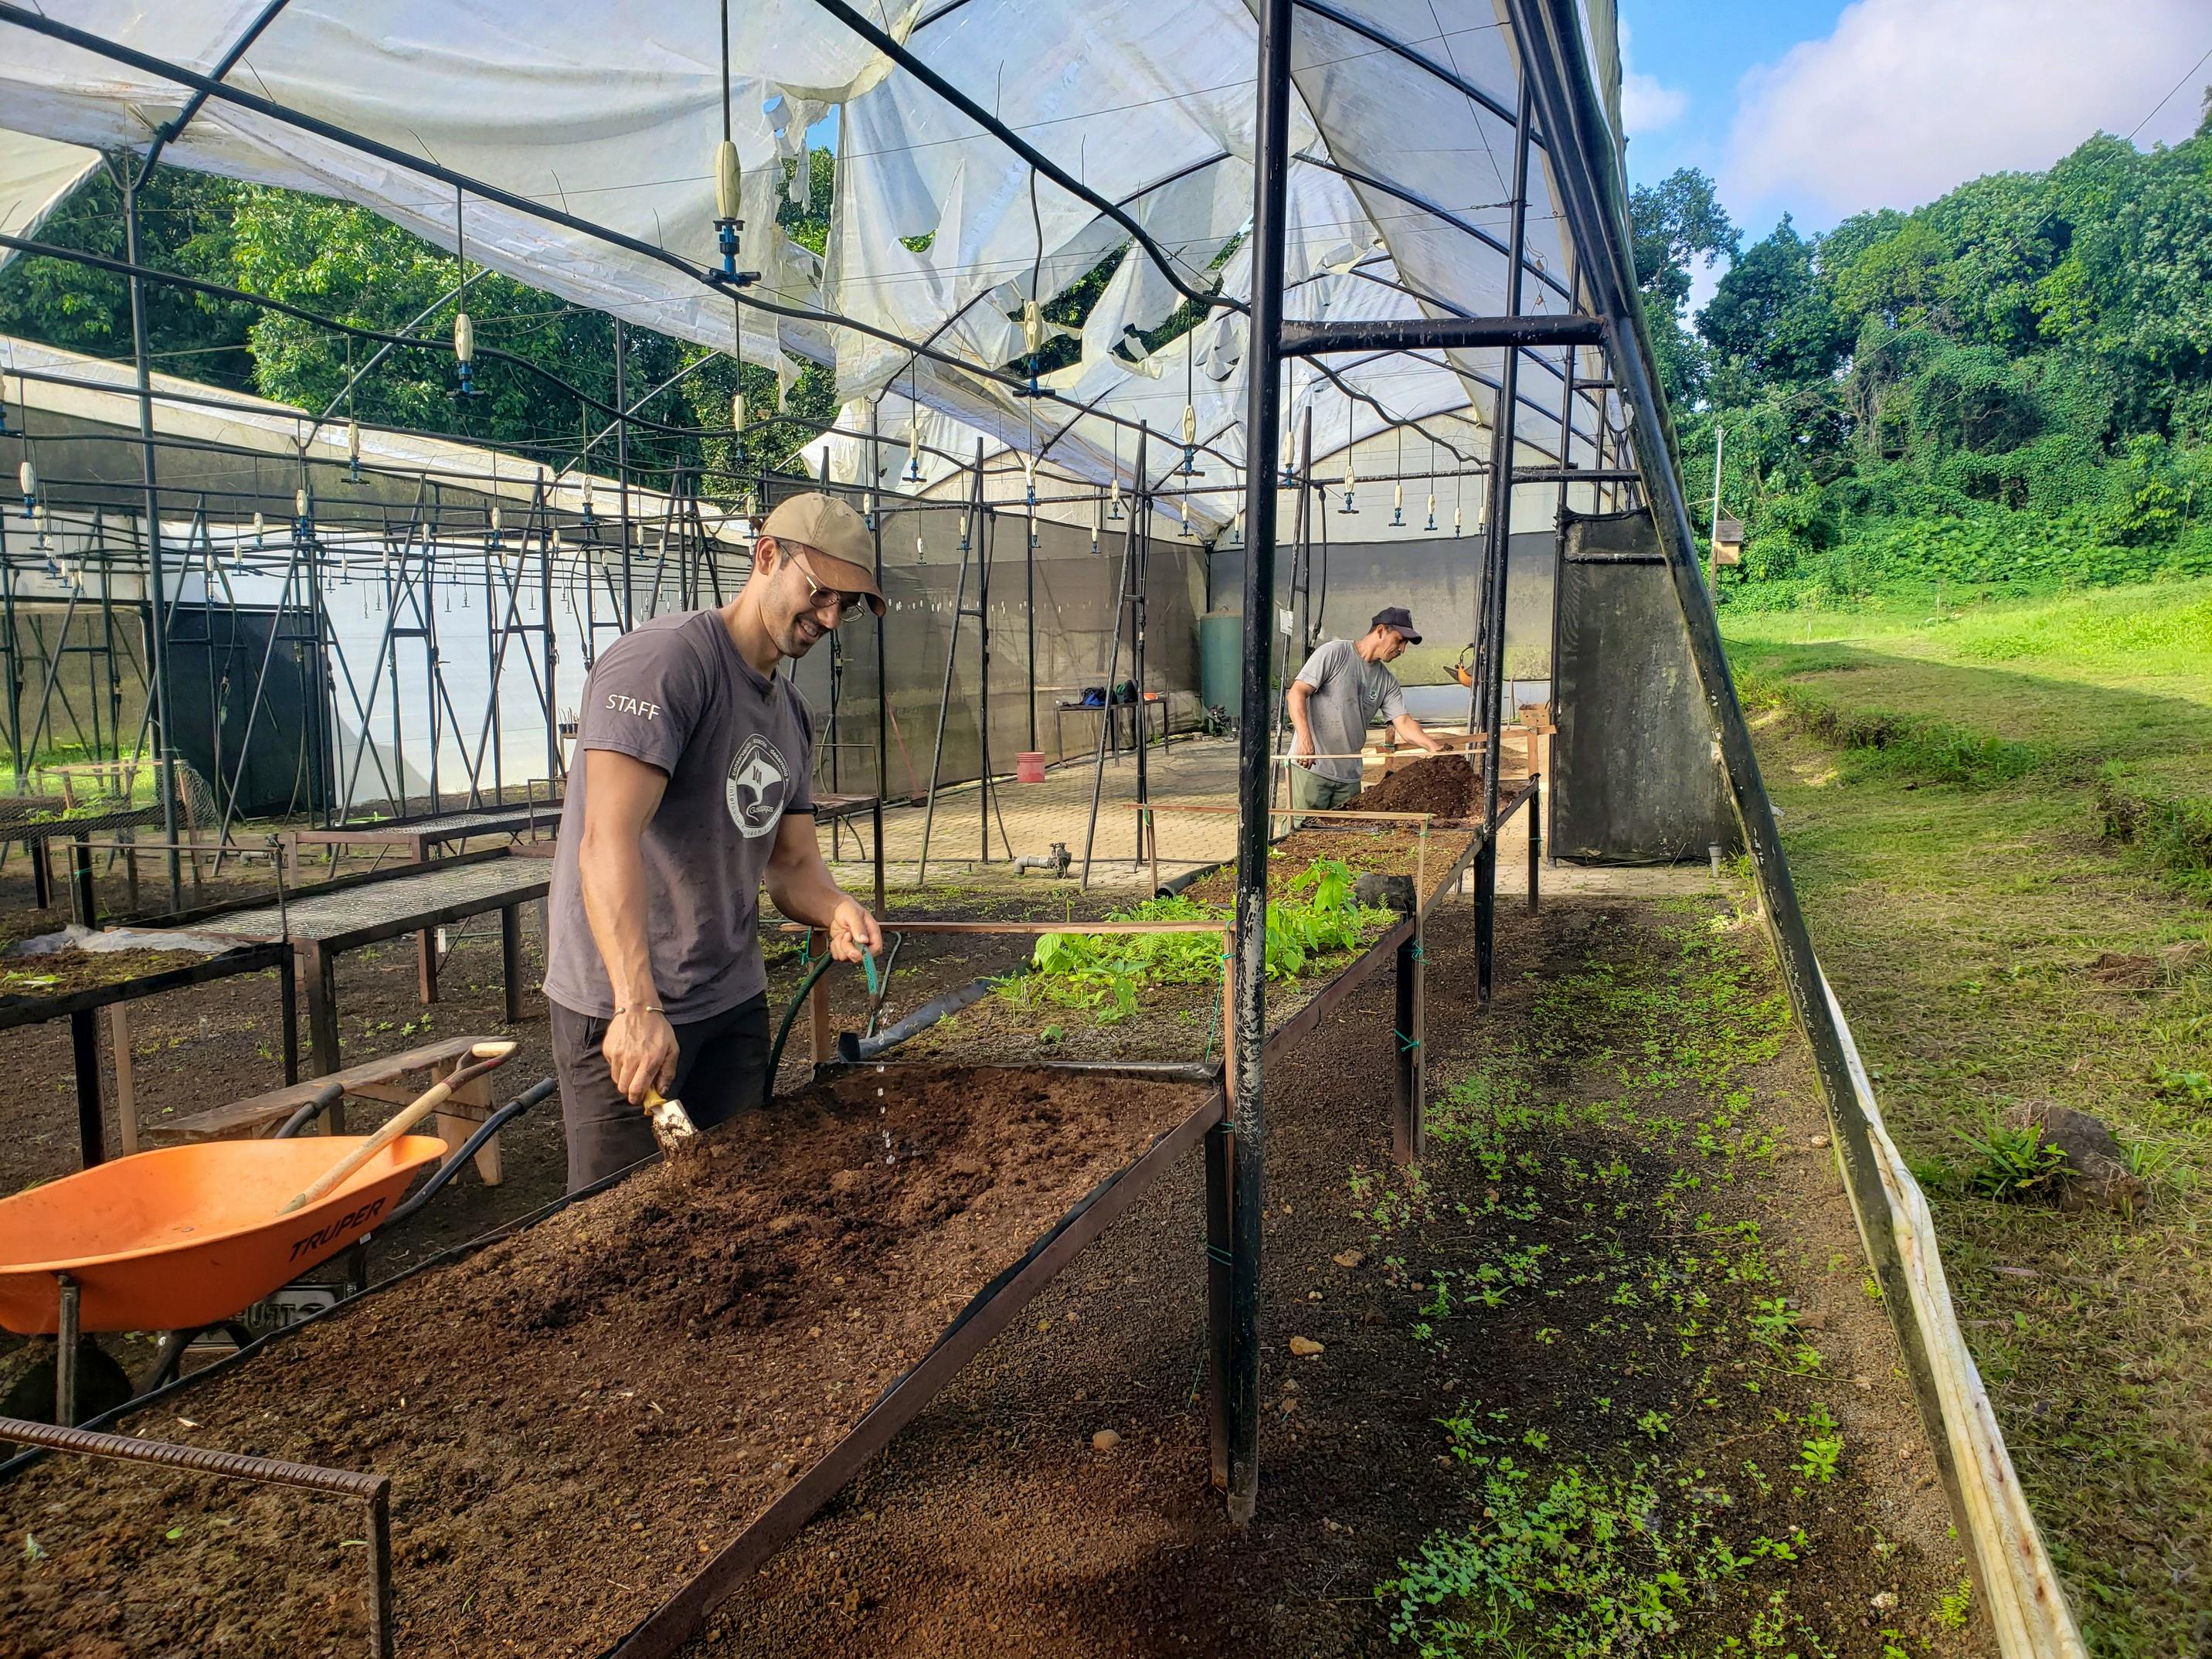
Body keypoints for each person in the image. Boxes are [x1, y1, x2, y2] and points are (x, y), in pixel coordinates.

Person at [542, 492, 887, 1190]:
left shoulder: (789, 713)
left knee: (736, 1211)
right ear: (767, 557)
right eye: (819, 593)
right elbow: (603, 842)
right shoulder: (666, 666)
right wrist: (635, 1007)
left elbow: (791, 867)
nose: (828, 619)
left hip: (729, 1003)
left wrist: (835, 907)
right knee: (619, 1236)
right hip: (630, 1005)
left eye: (845, 606)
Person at [1284, 606, 1449, 812]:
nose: (1402, 649)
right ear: (1380, 631)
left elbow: (1403, 722)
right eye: (1399, 640)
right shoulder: (1334, 653)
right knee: (1300, 837)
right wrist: (1305, 739)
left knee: (1346, 837)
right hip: (1312, 768)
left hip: (1349, 778)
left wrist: (1432, 747)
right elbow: (1296, 693)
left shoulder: (1386, 681)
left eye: (1405, 644)